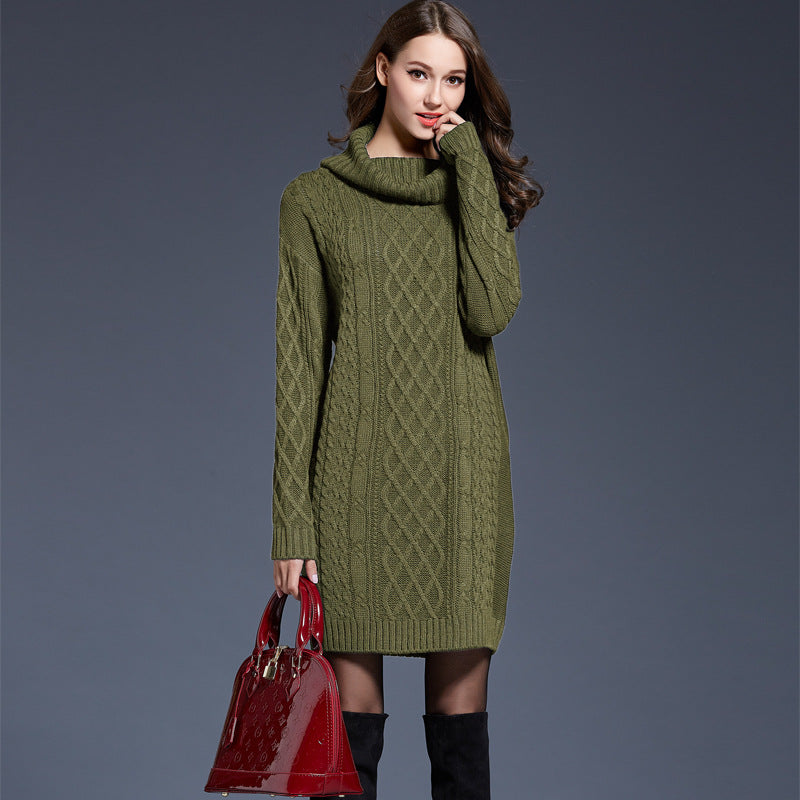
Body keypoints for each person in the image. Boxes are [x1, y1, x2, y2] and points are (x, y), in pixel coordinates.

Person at [270, 1, 543, 797]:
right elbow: (298, 369)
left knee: (461, 748)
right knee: (346, 751)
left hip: (462, 489)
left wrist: (470, 169)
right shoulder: (313, 201)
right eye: (420, 73)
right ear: (383, 69)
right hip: (354, 493)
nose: (436, 97)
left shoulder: (471, 188)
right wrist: (291, 521)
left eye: (454, 81)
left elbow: (491, 310)